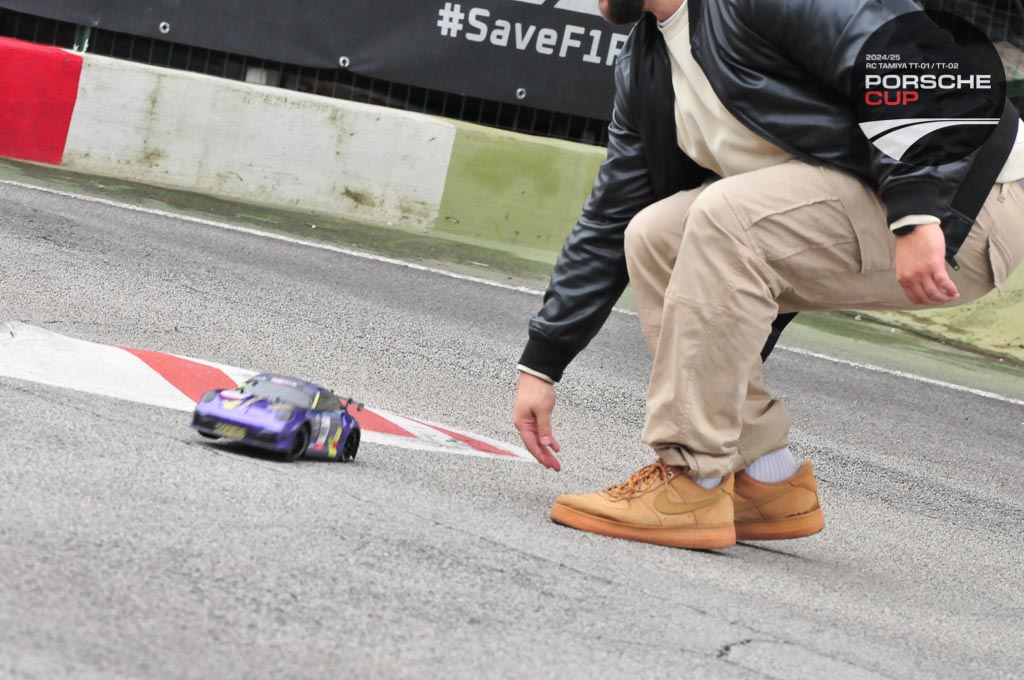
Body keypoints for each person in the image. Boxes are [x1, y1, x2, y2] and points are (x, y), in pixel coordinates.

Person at [512, 0, 1024, 550]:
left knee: (725, 217)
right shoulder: (646, 66)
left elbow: (916, 61)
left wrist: (916, 211)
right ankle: (764, 477)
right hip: (878, 198)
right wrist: (542, 364)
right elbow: (609, 220)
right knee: (655, 235)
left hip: (969, 199)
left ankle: (693, 479)